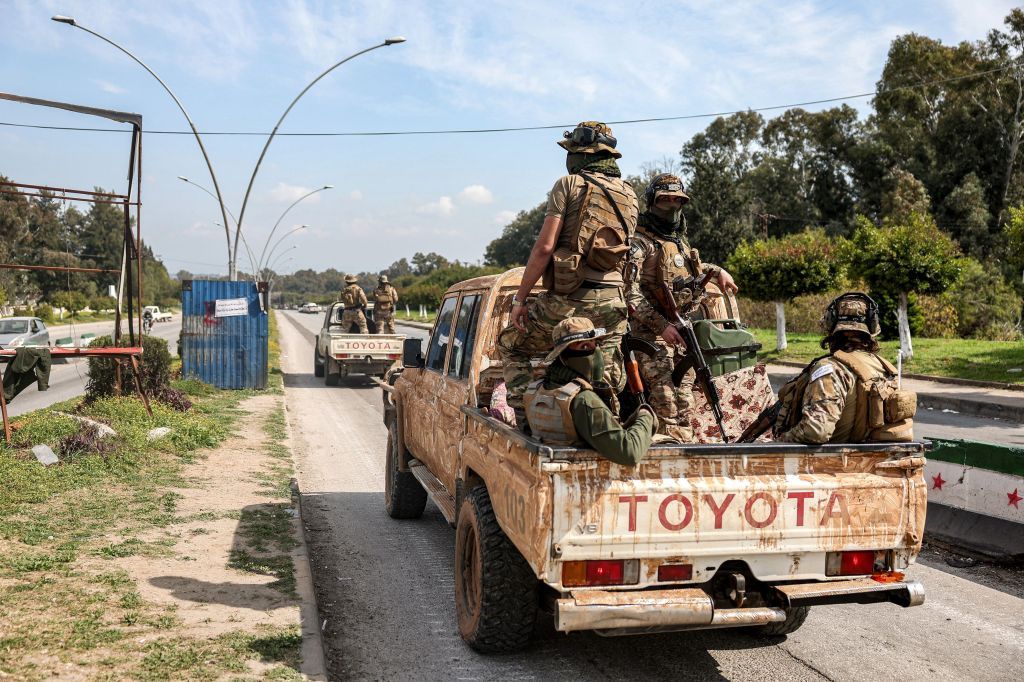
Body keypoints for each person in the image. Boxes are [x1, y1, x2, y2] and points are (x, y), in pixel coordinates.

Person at [497, 121, 639, 423]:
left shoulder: (569, 184)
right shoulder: (630, 193)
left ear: (580, 153)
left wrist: (520, 300)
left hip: (570, 300)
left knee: (511, 346)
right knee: (606, 371)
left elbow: (544, 248)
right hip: (614, 303)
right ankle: (605, 426)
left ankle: (527, 420)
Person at [626, 173, 739, 442]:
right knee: (665, 400)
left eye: (677, 201)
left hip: (681, 334)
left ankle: (685, 448)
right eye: (664, 200)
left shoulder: (679, 241)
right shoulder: (640, 244)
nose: (671, 207)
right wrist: (661, 326)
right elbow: (629, 294)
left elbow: (692, 272)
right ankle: (664, 451)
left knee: (685, 398)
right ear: (652, 202)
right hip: (650, 335)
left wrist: (719, 271)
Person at [774, 292, 916, 444]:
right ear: (872, 328)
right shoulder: (885, 368)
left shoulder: (830, 369)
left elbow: (815, 431)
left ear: (830, 326)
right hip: (874, 460)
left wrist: (781, 441)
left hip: (832, 462)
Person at [523, 318, 657, 466]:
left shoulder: (536, 390)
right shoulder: (584, 400)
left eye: (596, 344)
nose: (595, 352)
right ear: (563, 355)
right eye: (584, 346)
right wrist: (645, 415)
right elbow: (629, 453)